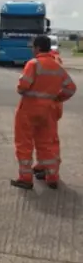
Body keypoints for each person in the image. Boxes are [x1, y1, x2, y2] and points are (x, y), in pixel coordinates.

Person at [12, 34, 76, 190]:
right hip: (48, 111)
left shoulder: (33, 64)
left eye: (33, 47)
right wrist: (57, 99)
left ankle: (25, 178)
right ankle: (52, 176)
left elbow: (22, 86)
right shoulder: (57, 66)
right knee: (48, 143)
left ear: (38, 48)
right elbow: (71, 88)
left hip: (28, 110)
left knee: (24, 143)